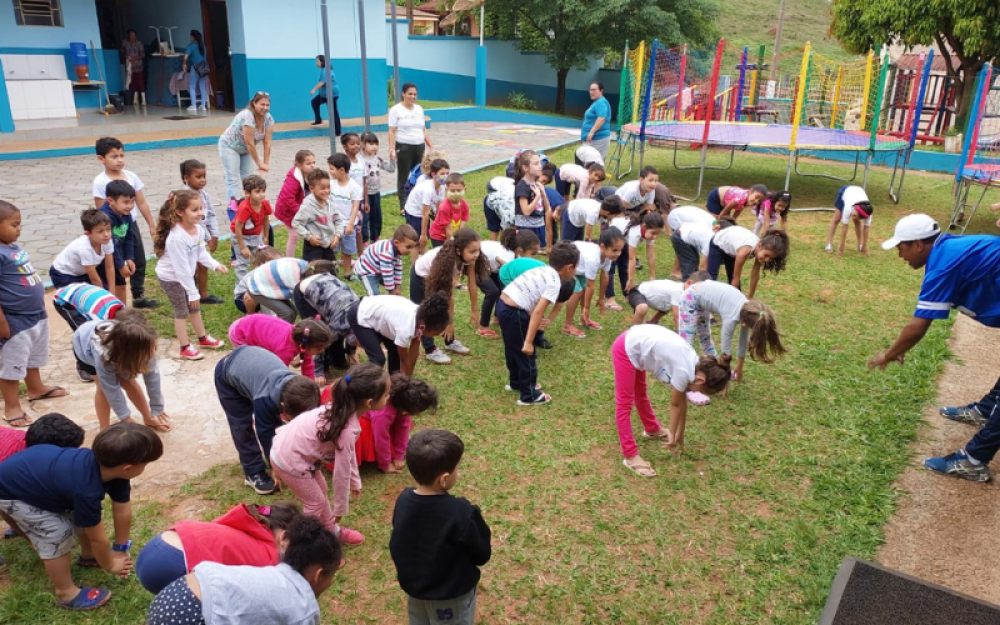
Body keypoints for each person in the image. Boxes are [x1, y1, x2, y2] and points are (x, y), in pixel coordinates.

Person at [868, 214, 1000, 482]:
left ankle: (974, 461)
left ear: (918, 244)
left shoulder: (943, 265)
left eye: (900, 247)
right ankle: (985, 410)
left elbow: (918, 326)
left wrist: (889, 354)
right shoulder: (947, 249)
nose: (899, 255)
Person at [0, 422, 163, 609]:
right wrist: (109, 565)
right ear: (127, 468)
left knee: (78, 515)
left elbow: (122, 510)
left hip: (37, 478)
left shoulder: (114, 472)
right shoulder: (86, 490)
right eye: (145, 464)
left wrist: (119, 548)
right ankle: (66, 593)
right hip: (11, 491)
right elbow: (97, 538)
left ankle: (88, 556)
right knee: (56, 532)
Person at [271, 363, 390, 547]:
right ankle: (301, 546)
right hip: (289, 460)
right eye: (386, 394)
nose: (388, 397)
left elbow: (347, 454)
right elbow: (340, 473)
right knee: (315, 504)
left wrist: (355, 480)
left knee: (321, 492)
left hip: (291, 452)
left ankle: (331, 530)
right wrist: (340, 507)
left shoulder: (342, 409)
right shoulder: (347, 428)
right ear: (369, 403)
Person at [146, 516, 342, 625]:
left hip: (173, 593)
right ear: (319, 575)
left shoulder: (272, 572)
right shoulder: (304, 609)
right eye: (331, 575)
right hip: (191, 617)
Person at [389, 429, 491, 625]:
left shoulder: (403, 500)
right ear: (444, 479)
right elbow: (482, 553)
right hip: (450, 596)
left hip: (416, 591)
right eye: (457, 468)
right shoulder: (462, 512)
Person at [613, 325, 731, 477]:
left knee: (640, 392)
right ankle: (630, 455)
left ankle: (652, 428)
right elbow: (675, 404)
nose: (694, 392)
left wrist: (679, 433)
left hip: (638, 344)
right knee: (624, 404)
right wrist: (672, 434)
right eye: (697, 390)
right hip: (626, 349)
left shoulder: (695, 364)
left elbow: (682, 402)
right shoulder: (684, 370)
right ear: (701, 380)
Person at [215, 345, 320, 495]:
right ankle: (253, 472)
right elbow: (265, 434)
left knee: (276, 425)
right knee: (242, 426)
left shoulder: (305, 390)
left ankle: (286, 456)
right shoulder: (264, 400)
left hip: (251, 365)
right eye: (294, 419)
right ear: (283, 406)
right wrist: (276, 467)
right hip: (227, 373)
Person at [135, 502, 302, 595]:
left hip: (156, 546)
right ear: (284, 536)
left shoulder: (242, 524)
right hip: (175, 564)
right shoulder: (268, 555)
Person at [0, 201, 68, 427]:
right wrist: (2, 323)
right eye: (14, 225)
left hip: (35, 314)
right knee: (13, 365)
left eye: (20, 224)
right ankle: (11, 406)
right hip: (14, 319)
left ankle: (35, 388)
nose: (19, 229)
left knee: (33, 357)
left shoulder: (12, 246)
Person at [497, 242, 579, 406]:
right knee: (526, 353)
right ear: (569, 267)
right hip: (515, 313)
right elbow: (538, 312)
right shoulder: (555, 282)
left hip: (502, 305)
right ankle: (529, 394)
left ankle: (515, 382)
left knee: (512, 347)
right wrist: (529, 341)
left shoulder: (542, 269)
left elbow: (526, 292)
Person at [153, 190, 228, 361]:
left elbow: (201, 253)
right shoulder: (176, 238)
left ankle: (202, 339)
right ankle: (184, 347)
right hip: (171, 278)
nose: (200, 213)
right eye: (194, 210)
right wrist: (193, 292)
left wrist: (214, 265)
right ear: (180, 212)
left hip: (185, 276)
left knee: (194, 307)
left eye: (201, 208)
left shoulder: (198, 230)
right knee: (181, 311)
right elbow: (180, 270)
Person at [73, 310, 170, 432]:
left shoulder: (145, 343)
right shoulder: (103, 356)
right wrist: (126, 418)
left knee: (130, 382)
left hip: (119, 351)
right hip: (85, 345)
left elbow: (152, 377)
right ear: (132, 353)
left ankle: (148, 418)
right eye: (149, 351)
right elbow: (111, 389)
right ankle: (104, 428)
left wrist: (157, 408)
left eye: (154, 348)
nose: (153, 354)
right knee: (103, 388)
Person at [92, 137, 158, 308]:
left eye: (122, 155)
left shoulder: (131, 176)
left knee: (139, 260)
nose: (119, 160)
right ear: (101, 159)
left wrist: (151, 224)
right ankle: (113, 301)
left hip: (130, 225)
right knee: (115, 263)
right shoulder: (100, 181)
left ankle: (138, 295)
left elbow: (141, 202)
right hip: (111, 229)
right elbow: (101, 211)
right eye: (114, 156)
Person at [678, 280, 785, 383]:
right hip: (690, 298)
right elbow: (726, 350)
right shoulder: (731, 317)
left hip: (701, 299)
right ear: (744, 323)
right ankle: (685, 378)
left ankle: (711, 369)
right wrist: (725, 376)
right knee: (686, 342)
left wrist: (740, 365)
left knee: (705, 337)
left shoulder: (749, 310)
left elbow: (743, 340)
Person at [410, 229, 486, 364]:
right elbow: (447, 295)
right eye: (472, 251)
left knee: (440, 311)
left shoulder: (467, 258)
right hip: (420, 277)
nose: (476, 255)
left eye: (477, 250)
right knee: (424, 313)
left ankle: (449, 341)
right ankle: (430, 349)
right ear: (458, 250)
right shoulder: (445, 263)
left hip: (436, 276)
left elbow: (472, 284)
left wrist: (475, 310)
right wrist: (449, 323)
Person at [348, 293, 451, 375]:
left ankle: (394, 383)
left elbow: (414, 353)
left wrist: (407, 379)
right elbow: (404, 360)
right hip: (360, 314)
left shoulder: (421, 318)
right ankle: (360, 385)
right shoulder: (405, 329)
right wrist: (406, 385)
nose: (437, 335)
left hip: (381, 318)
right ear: (423, 327)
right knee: (378, 359)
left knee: (395, 352)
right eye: (436, 333)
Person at [292, 270, 359, 382]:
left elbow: (352, 335)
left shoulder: (360, 320)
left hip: (327, 286)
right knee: (319, 331)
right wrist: (318, 372)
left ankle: (337, 360)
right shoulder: (341, 324)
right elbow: (320, 339)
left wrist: (351, 351)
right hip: (304, 291)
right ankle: (321, 368)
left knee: (336, 333)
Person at [560, 230, 625, 338]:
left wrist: (600, 299)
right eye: (615, 250)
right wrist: (586, 308)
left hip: (580, 268)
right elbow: (591, 285)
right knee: (578, 292)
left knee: (584, 289)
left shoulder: (609, 256)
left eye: (620, 250)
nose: (618, 253)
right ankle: (568, 325)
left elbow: (605, 276)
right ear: (603, 247)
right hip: (566, 264)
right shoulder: (593, 259)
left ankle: (584, 319)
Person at [368, 373, 439, 473]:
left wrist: (399, 456)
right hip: (365, 421)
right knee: (374, 435)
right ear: (406, 410)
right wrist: (385, 464)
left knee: (401, 424)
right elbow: (381, 439)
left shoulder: (401, 401)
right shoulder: (383, 413)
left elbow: (403, 428)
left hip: (386, 417)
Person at [218, 92, 275, 216]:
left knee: (249, 178)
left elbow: (267, 141)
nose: (265, 107)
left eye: (267, 105)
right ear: (254, 103)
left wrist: (266, 163)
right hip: (230, 146)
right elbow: (250, 143)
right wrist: (259, 163)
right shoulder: (247, 116)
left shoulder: (269, 118)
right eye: (262, 104)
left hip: (245, 150)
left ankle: (251, 205)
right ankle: (234, 208)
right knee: (232, 178)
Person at [229, 315, 332, 382]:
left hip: (250, 324)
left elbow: (307, 365)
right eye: (319, 347)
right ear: (306, 344)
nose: (322, 350)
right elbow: (279, 376)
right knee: (257, 366)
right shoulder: (285, 350)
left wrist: (311, 386)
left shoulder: (303, 336)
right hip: (240, 333)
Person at [708, 220, 790, 300]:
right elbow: (735, 279)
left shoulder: (761, 251)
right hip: (718, 242)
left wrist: (750, 298)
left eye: (771, 258)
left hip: (732, 249)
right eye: (766, 255)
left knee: (736, 290)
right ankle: (705, 299)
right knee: (712, 277)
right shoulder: (744, 252)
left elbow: (755, 276)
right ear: (759, 245)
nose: (767, 260)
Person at [180, 159, 223, 304]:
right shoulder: (183, 197)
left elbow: (210, 214)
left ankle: (203, 294)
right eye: (198, 177)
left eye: (204, 176)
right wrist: (207, 236)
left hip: (202, 236)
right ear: (186, 178)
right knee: (188, 266)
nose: (203, 180)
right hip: (188, 236)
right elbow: (195, 220)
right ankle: (189, 293)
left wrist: (214, 235)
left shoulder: (204, 194)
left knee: (202, 264)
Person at [605, 209, 666, 311]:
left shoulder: (649, 231)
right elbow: (632, 259)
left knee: (624, 268)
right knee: (609, 268)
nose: (655, 236)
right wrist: (631, 280)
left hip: (623, 239)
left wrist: (652, 276)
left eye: (657, 234)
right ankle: (610, 299)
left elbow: (651, 255)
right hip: (611, 235)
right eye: (653, 233)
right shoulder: (635, 232)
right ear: (644, 227)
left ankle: (627, 295)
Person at [389, 82, 433, 211]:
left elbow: (423, 129)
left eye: (414, 94)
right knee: (403, 176)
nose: (412, 97)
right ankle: (403, 206)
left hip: (419, 146)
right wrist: (392, 148)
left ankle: (416, 202)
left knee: (419, 175)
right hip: (403, 146)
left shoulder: (419, 109)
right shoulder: (396, 110)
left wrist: (430, 146)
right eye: (410, 94)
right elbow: (392, 131)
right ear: (403, 94)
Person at [475, 228, 524, 338]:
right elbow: (504, 263)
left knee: (503, 289)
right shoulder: (507, 254)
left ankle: (497, 317)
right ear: (518, 246)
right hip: (475, 266)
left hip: (489, 267)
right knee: (492, 292)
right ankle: (483, 327)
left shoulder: (515, 254)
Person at [49, 209, 114, 289]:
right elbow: (94, 279)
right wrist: (103, 297)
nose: (106, 234)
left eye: (108, 229)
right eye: (100, 231)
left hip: (83, 273)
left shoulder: (107, 241)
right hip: (63, 273)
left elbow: (109, 267)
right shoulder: (84, 249)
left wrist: (112, 293)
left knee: (103, 292)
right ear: (88, 233)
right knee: (74, 297)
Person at [292, 168, 345, 263]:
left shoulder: (330, 202)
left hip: (328, 244)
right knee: (314, 272)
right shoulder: (307, 206)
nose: (327, 191)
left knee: (330, 268)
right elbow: (296, 223)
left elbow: (338, 220)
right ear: (312, 188)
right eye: (322, 188)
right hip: (314, 247)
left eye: (328, 187)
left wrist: (337, 235)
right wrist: (309, 237)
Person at [326, 153, 365, 278]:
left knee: (348, 250)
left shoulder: (354, 187)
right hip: (333, 224)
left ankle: (347, 272)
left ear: (341, 170)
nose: (330, 171)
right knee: (332, 249)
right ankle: (332, 271)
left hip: (348, 224)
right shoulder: (331, 185)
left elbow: (355, 207)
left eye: (332, 168)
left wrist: (350, 224)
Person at [354, 224, 419, 296]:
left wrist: (398, 287)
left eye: (412, 247)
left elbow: (398, 268)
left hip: (378, 269)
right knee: (374, 295)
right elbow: (387, 274)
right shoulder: (387, 254)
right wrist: (392, 292)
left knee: (393, 285)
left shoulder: (397, 249)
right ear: (396, 242)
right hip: (366, 271)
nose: (410, 250)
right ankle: (366, 305)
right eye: (408, 247)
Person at [275, 150, 317, 258]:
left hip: (300, 208)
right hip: (288, 210)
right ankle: (289, 260)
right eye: (308, 163)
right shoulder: (293, 178)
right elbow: (287, 198)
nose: (312, 166)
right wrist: (300, 213)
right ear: (298, 165)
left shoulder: (311, 173)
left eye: (314, 162)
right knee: (294, 235)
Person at [231, 174, 272, 281]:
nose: (262, 195)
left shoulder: (265, 204)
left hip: (256, 234)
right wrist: (242, 247)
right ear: (247, 193)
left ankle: (259, 281)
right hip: (241, 236)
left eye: (263, 191)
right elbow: (238, 228)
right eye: (258, 191)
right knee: (243, 262)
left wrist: (266, 236)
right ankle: (241, 289)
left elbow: (266, 219)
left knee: (260, 258)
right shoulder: (245, 208)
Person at [405, 158, 450, 254]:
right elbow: (425, 214)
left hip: (423, 211)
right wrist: (424, 234)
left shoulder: (441, 187)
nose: (445, 176)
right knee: (417, 242)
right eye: (442, 174)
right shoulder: (428, 190)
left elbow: (439, 207)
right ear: (433, 175)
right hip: (414, 212)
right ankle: (416, 264)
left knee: (423, 242)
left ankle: (423, 254)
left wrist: (440, 225)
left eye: (447, 173)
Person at [245, 257, 310, 323]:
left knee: (293, 312)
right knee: (287, 314)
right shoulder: (298, 277)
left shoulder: (306, 268)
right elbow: (301, 301)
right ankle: (278, 332)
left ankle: (278, 327)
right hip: (258, 287)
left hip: (272, 286)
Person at [361, 132, 395, 243]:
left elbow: (391, 169)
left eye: (376, 143)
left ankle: (374, 238)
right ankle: (364, 240)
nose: (374, 146)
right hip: (364, 194)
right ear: (363, 145)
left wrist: (392, 158)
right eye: (370, 143)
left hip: (376, 193)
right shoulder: (360, 160)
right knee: (364, 218)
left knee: (377, 217)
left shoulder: (378, 159)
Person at [513, 151, 550, 250]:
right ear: (525, 168)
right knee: (525, 252)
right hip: (526, 227)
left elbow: (547, 209)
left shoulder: (537, 184)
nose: (540, 166)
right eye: (535, 164)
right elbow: (526, 211)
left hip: (539, 224)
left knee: (534, 251)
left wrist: (543, 194)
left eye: (540, 162)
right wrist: (537, 196)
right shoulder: (522, 186)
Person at [825, 185, 873, 255]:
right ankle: (828, 244)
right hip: (845, 191)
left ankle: (860, 245)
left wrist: (865, 246)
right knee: (837, 218)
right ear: (856, 208)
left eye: (856, 216)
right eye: (854, 214)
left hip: (857, 192)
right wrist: (841, 247)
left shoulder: (868, 212)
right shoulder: (848, 207)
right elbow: (845, 227)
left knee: (857, 222)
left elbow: (866, 229)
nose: (852, 216)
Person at [234, 246, 282, 314]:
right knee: (263, 294)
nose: (277, 266)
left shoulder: (276, 271)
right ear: (261, 265)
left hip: (259, 296)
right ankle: (251, 315)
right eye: (273, 264)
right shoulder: (257, 275)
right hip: (242, 298)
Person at [429, 173, 470, 247]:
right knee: (443, 255)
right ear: (447, 189)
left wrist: (459, 237)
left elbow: (463, 222)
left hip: (452, 233)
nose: (456, 193)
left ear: (465, 189)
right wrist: (450, 245)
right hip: (438, 236)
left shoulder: (465, 205)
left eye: (459, 190)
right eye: (452, 191)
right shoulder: (444, 207)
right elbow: (448, 229)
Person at [310, 55, 341, 133]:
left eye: (317, 61)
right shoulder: (324, 69)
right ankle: (318, 120)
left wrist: (314, 89)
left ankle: (338, 131)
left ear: (321, 62)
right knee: (314, 102)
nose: (316, 63)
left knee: (333, 112)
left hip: (331, 94)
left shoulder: (325, 70)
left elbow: (322, 82)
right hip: (325, 95)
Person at [582, 82, 613, 160]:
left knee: (594, 163)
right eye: (590, 90)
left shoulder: (601, 102)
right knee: (588, 162)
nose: (591, 92)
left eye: (594, 90)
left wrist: (591, 132)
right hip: (593, 139)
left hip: (598, 139)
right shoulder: (596, 102)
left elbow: (601, 118)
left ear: (601, 91)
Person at [182, 30, 210, 112]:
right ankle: (203, 105)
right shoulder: (203, 46)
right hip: (204, 66)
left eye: (191, 36)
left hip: (195, 67)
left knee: (192, 86)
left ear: (193, 37)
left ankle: (193, 105)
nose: (190, 37)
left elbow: (186, 57)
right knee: (202, 86)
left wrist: (184, 64)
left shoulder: (191, 46)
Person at [123, 29, 145, 106]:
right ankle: (135, 100)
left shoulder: (139, 44)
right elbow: (123, 52)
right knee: (132, 83)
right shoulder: (125, 43)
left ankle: (143, 100)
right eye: (131, 35)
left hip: (138, 66)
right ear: (128, 35)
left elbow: (142, 55)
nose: (132, 36)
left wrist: (134, 58)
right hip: (130, 67)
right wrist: (126, 57)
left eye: (134, 35)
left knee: (140, 82)